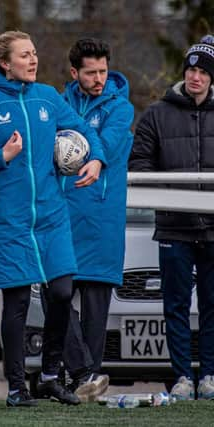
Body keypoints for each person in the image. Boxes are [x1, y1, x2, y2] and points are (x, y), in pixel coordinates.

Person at [0, 30, 106, 407]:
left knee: (63, 291)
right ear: (5, 63)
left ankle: (51, 376)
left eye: (34, 53)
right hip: (7, 221)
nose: (33, 60)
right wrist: (0, 157)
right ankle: (17, 387)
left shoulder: (48, 98)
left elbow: (85, 131)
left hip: (51, 216)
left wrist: (97, 158)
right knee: (17, 303)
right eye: (24, 55)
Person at [129, 35, 214, 401]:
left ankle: (209, 375)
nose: (195, 77)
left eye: (202, 72)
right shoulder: (157, 115)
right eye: (191, 70)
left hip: (213, 229)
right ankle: (182, 376)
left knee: (212, 305)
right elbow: (139, 164)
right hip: (174, 228)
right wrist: (169, 194)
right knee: (175, 305)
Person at [56, 38, 134, 402]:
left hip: (102, 219)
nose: (99, 78)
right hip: (63, 217)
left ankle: (86, 386)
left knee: (95, 312)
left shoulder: (121, 108)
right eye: (91, 72)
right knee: (58, 297)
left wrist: (96, 159)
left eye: (103, 71)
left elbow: (109, 142)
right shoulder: (58, 104)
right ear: (75, 73)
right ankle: (80, 373)